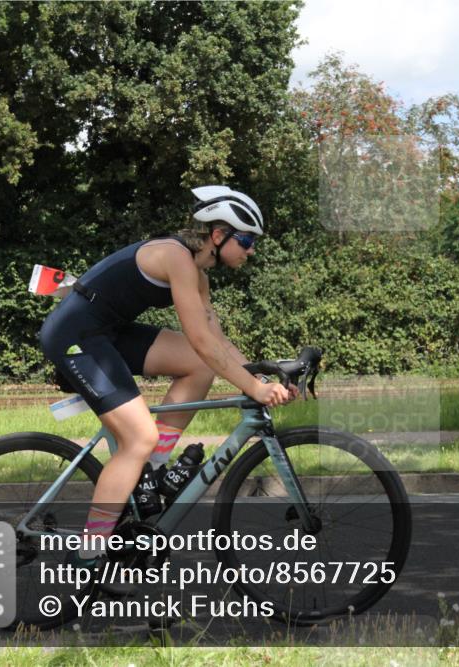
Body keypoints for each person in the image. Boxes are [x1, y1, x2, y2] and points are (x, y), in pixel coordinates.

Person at [39, 185, 293, 566]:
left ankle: (152, 475)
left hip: (107, 332)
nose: (251, 249)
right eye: (246, 240)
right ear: (219, 235)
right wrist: (254, 388)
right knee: (138, 436)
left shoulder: (198, 275)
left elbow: (216, 345)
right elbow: (202, 340)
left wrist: (266, 374)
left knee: (198, 363)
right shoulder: (177, 258)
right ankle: (90, 553)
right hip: (76, 335)